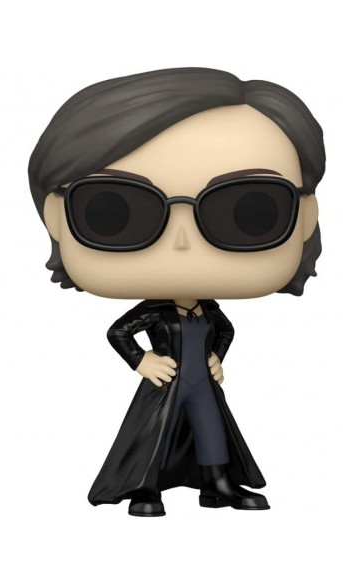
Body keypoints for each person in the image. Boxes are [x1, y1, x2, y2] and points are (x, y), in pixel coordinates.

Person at [28, 67, 326, 516]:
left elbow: (224, 330)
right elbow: (119, 332)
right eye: (115, 210)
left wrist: (217, 357)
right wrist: (142, 361)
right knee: (153, 434)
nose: (182, 241)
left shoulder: (209, 311)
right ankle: (145, 487)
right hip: (166, 382)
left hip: (200, 379)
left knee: (211, 428)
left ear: (304, 219)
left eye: (249, 209)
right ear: (56, 218)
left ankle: (218, 483)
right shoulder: (156, 311)